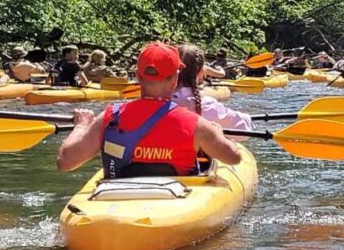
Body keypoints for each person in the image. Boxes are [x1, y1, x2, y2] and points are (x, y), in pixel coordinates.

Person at [56, 42, 243, 178]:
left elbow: (65, 162)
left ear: (137, 76)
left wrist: (81, 126)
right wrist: (218, 134)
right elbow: (233, 158)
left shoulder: (110, 116)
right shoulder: (196, 124)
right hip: (173, 208)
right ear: (175, 78)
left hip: (117, 206)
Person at [173, 44, 253, 131]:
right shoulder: (208, 105)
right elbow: (244, 128)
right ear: (201, 71)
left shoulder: (159, 99)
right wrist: (246, 117)